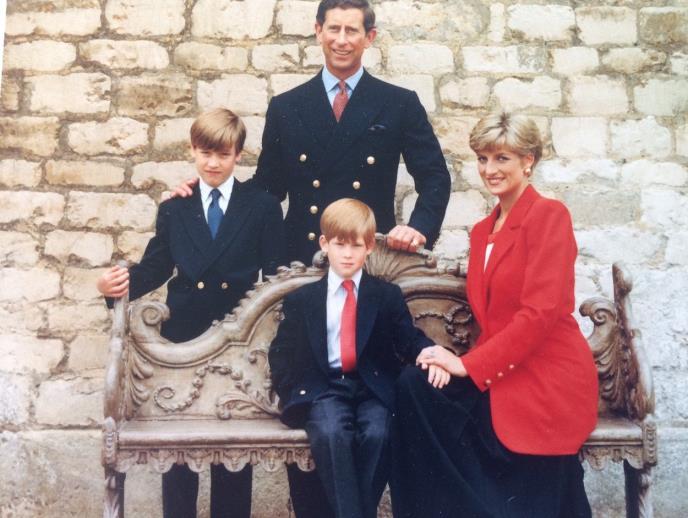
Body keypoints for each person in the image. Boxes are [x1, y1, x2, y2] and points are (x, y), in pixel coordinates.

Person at [391, 111, 599, 518]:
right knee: (414, 386)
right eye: (483, 159)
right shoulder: (482, 230)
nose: (490, 170)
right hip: (501, 370)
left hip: (546, 374)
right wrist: (448, 361)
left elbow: (540, 314)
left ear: (528, 161)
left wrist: (467, 365)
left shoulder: (549, 216)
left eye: (502, 158)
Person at [96, 108, 285, 518]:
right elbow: (155, 268)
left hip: (237, 342)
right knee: (178, 452)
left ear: (239, 155)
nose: (213, 163)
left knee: (233, 453)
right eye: (205, 153)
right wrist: (114, 287)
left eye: (223, 155)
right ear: (192, 151)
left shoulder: (263, 207)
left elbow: (274, 280)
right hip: (181, 344)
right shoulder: (175, 208)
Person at [172, 0, 450, 264]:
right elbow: (269, 186)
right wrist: (207, 192)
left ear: (370, 37)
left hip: (370, 256)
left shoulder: (399, 103)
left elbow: (434, 177)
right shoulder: (286, 106)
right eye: (334, 29)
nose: (341, 40)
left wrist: (418, 229)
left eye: (352, 30)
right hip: (302, 259)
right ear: (318, 31)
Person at [268, 198, 447, 518]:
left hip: (372, 390)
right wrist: (294, 391)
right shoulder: (304, 299)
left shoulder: (385, 295)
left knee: (379, 433)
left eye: (356, 245)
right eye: (340, 244)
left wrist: (433, 354)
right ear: (325, 244)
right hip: (325, 389)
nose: (348, 254)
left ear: (369, 248)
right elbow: (280, 352)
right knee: (331, 432)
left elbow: (408, 340)